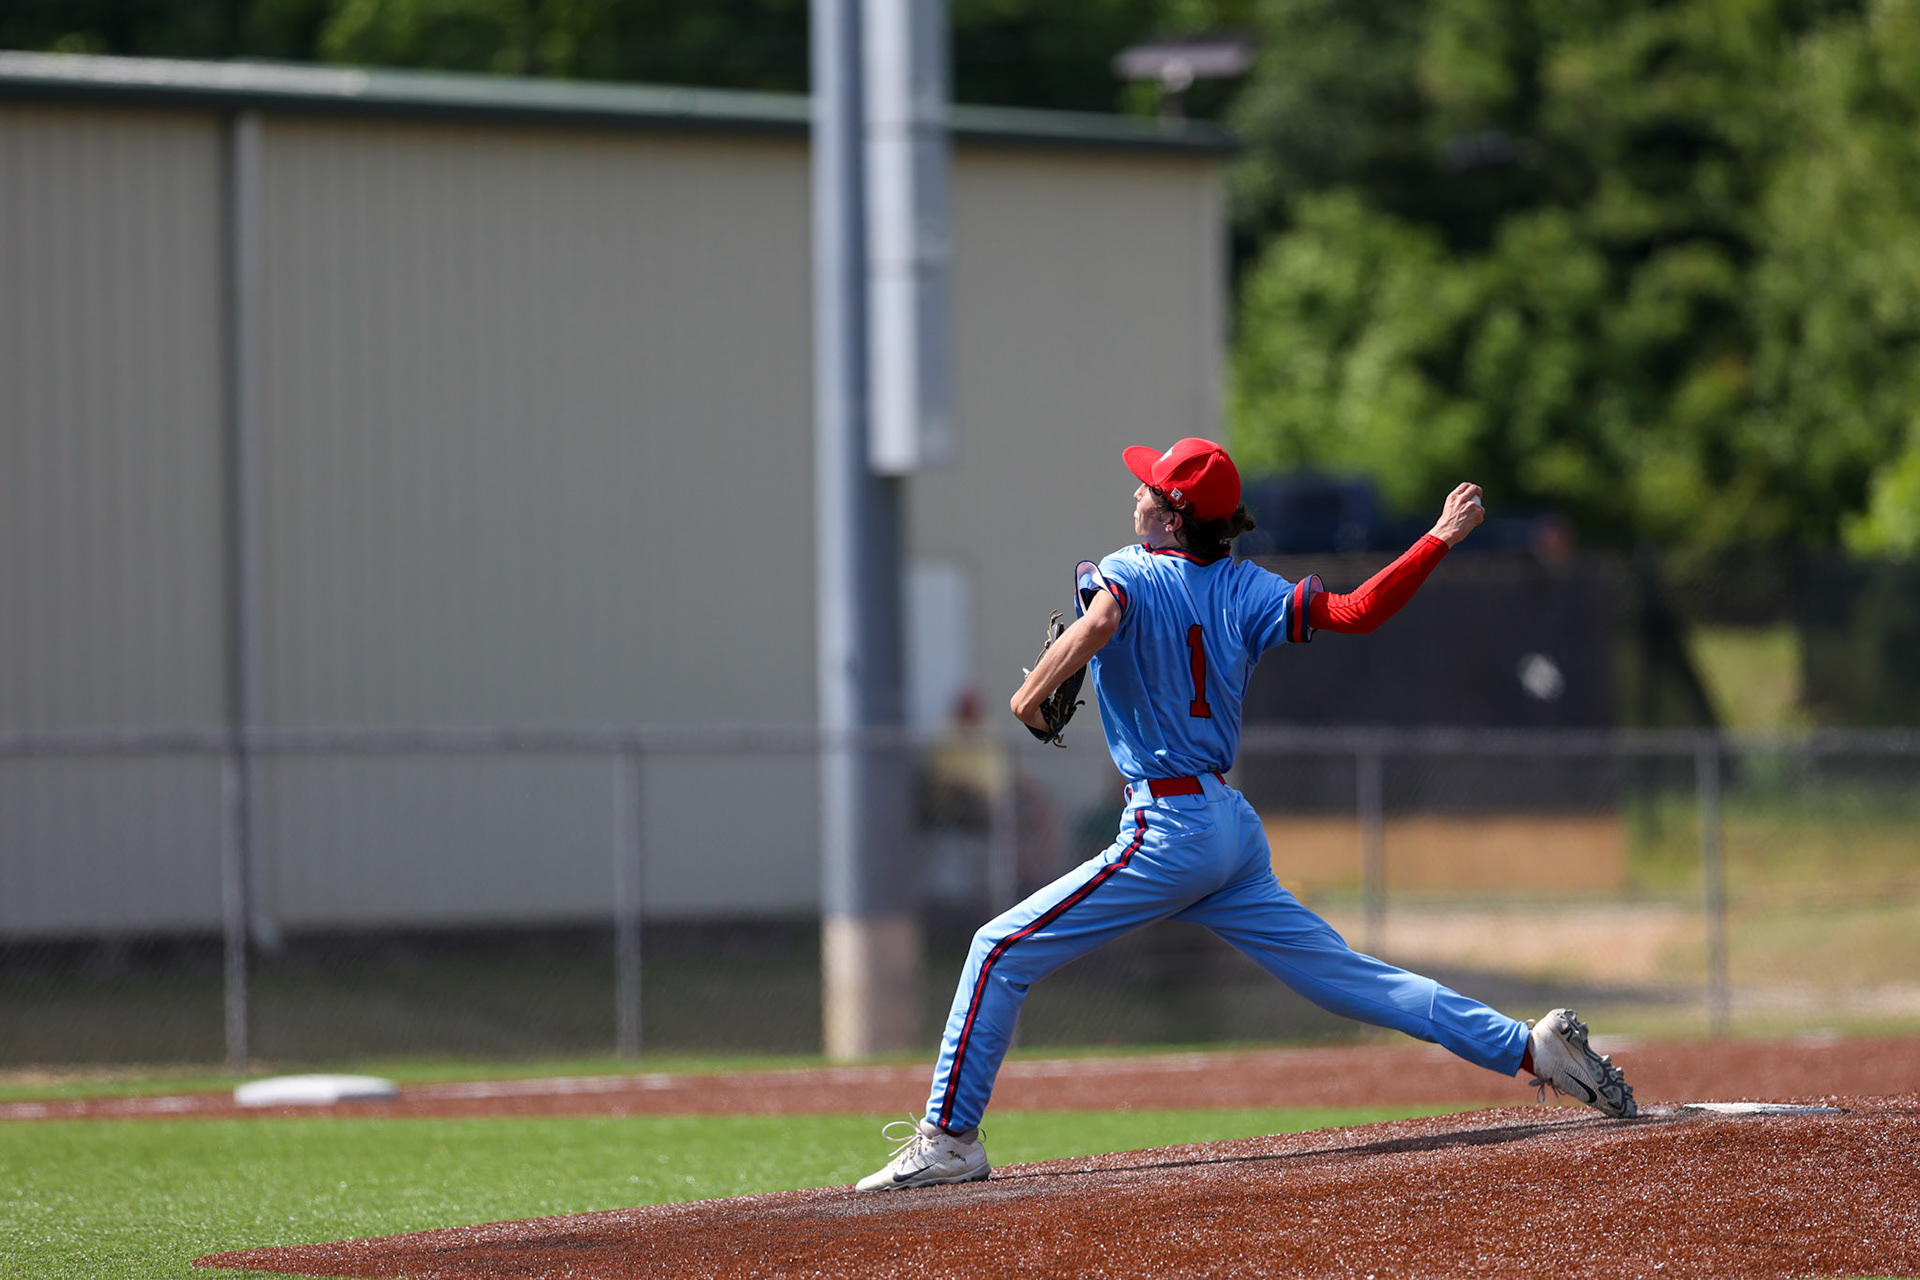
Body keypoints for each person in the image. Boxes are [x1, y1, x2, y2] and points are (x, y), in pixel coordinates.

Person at [856, 437, 1636, 1194]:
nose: (1137, 491)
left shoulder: (1128, 571)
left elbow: (1096, 624)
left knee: (997, 950)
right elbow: (1361, 609)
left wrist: (1029, 698)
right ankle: (1530, 1049)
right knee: (1349, 981)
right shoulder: (1250, 588)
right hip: (1227, 827)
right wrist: (1435, 537)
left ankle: (949, 1142)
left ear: (1171, 515)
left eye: (1151, 487)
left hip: (1167, 832)